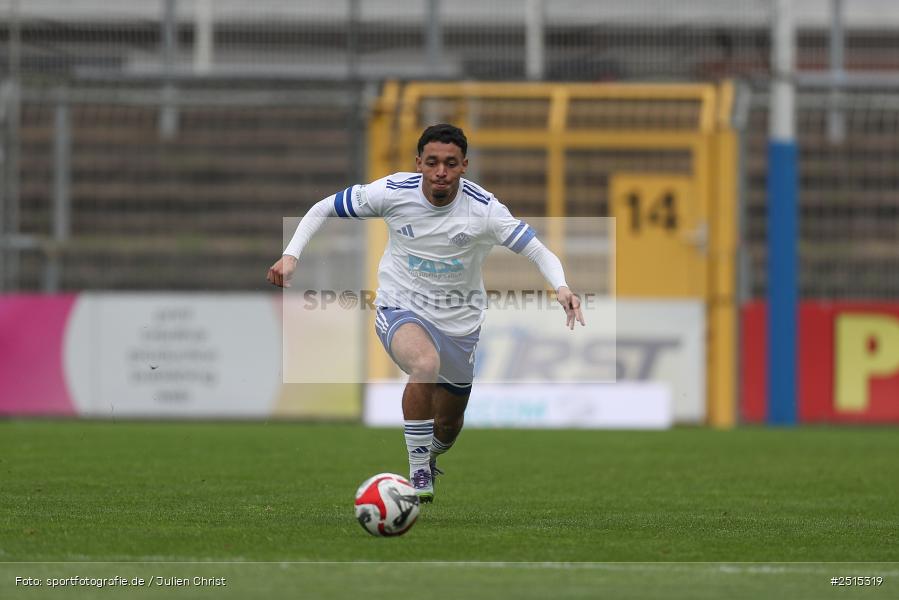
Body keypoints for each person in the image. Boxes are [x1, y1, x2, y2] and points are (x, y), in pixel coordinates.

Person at [268, 124, 584, 502]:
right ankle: (418, 474)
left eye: (450, 164)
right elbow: (324, 207)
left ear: (464, 166)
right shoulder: (391, 192)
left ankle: (431, 457)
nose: (440, 172)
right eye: (432, 162)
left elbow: (537, 250)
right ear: (418, 163)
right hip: (400, 305)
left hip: (461, 322)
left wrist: (561, 286)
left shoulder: (485, 209)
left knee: (448, 426)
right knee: (424, 364)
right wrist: (291, 254)